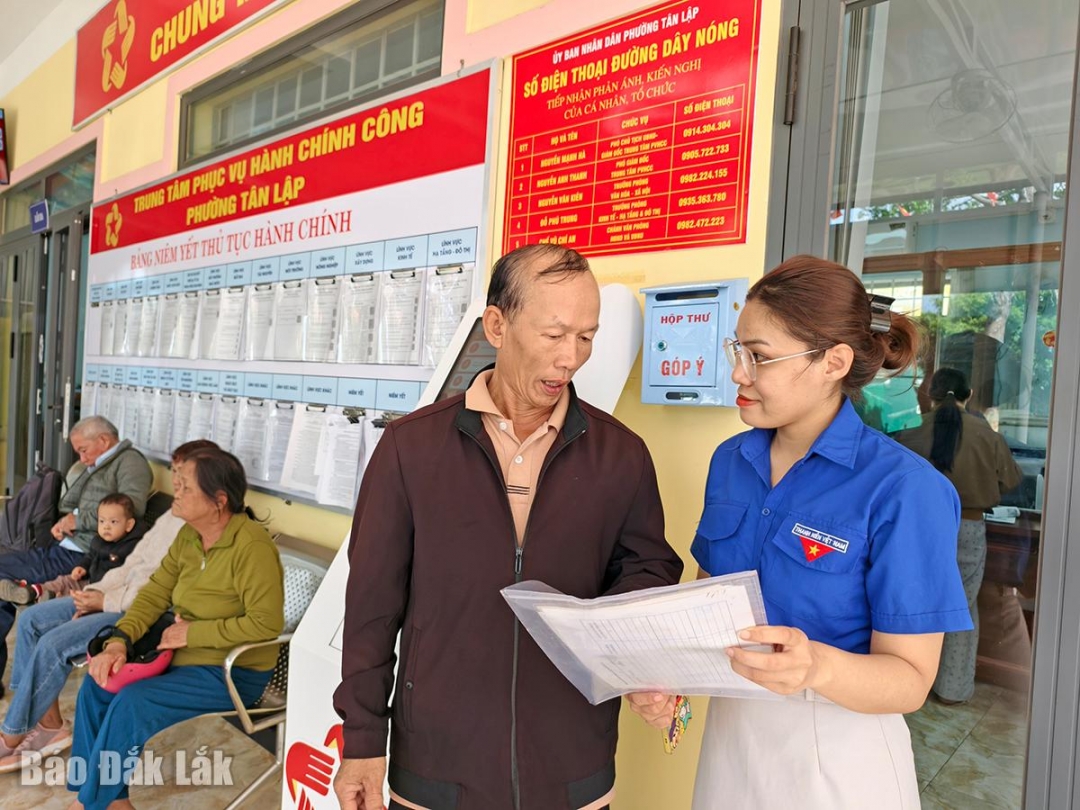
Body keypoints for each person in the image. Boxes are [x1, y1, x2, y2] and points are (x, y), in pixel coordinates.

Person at [333, 243, 683, 810]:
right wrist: (364, 740)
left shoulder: (621, 454)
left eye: (586, 337)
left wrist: (631, 646)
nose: (571, 358)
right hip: (437, 769)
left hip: (572, 767)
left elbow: (647, 569)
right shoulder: (410, 448)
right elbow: (372, 608)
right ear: (497, 325)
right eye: (554, 334)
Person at [628, 256, 971, 810]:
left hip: (838, 759)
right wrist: (675, 690)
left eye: (759, 357)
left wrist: (816, 665)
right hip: (729, 745)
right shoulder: (731, 461)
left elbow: (910, 680)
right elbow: (709, 605)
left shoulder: (905, 489)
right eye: (737, 351)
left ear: (833, 362)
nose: (739, 374)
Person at [67, 446, 284, 810]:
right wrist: (119, 641)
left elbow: (265, 623)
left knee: (134, 703)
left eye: (185, 487)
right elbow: (153, 595)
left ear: (218, 500)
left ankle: (89, 804)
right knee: (97, 684)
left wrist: (192, 633)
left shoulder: (252, 546)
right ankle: (111, 801)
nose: (176, 493)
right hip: (179, 657)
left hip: (231, 671)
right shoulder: (188, 536)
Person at [0, 442, 214, 773]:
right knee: (32, 620)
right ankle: (50, 725)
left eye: (183, 477)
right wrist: (95, 592)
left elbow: (161, 591)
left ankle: (11, 734)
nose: (176, 484)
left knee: (53, 643)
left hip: (140, 612)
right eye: (175, 474)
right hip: (116, 594)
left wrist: (105, 602)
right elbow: (134, 565)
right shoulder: (173, 515)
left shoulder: (201, 527)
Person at [896, 367, 1023, 704]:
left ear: (930, 396)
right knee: (962, 606)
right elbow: (1011, 479)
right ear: (969, 395)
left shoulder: (909, 432)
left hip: (918, 527)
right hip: (968, 527)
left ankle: (909, 683)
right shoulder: (987, 435)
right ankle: (952, 689)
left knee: (916, 601)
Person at [0, 416, 152, 688]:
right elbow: (76, 505)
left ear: (103, 440)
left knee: (2, 574)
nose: (81, 458)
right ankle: (24, 590)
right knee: (3, 583)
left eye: (83, 450)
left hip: (80, 554)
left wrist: (78, 521)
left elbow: (131, 511)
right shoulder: (98, 463)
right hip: (65, 545)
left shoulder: (131, 463)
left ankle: (29, 591)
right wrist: (65, 521)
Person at [0, 492, 149, 605]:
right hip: (89, 579)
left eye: (113, 522)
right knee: (64, 580)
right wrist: (82, 567)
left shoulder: (133, 547)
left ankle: (48, 599)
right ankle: (33, 591)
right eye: (102, 521)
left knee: (76, 595)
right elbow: (90, 556)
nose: (106, 527)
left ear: (129, 525)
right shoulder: (98, 540)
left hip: (105, 590)